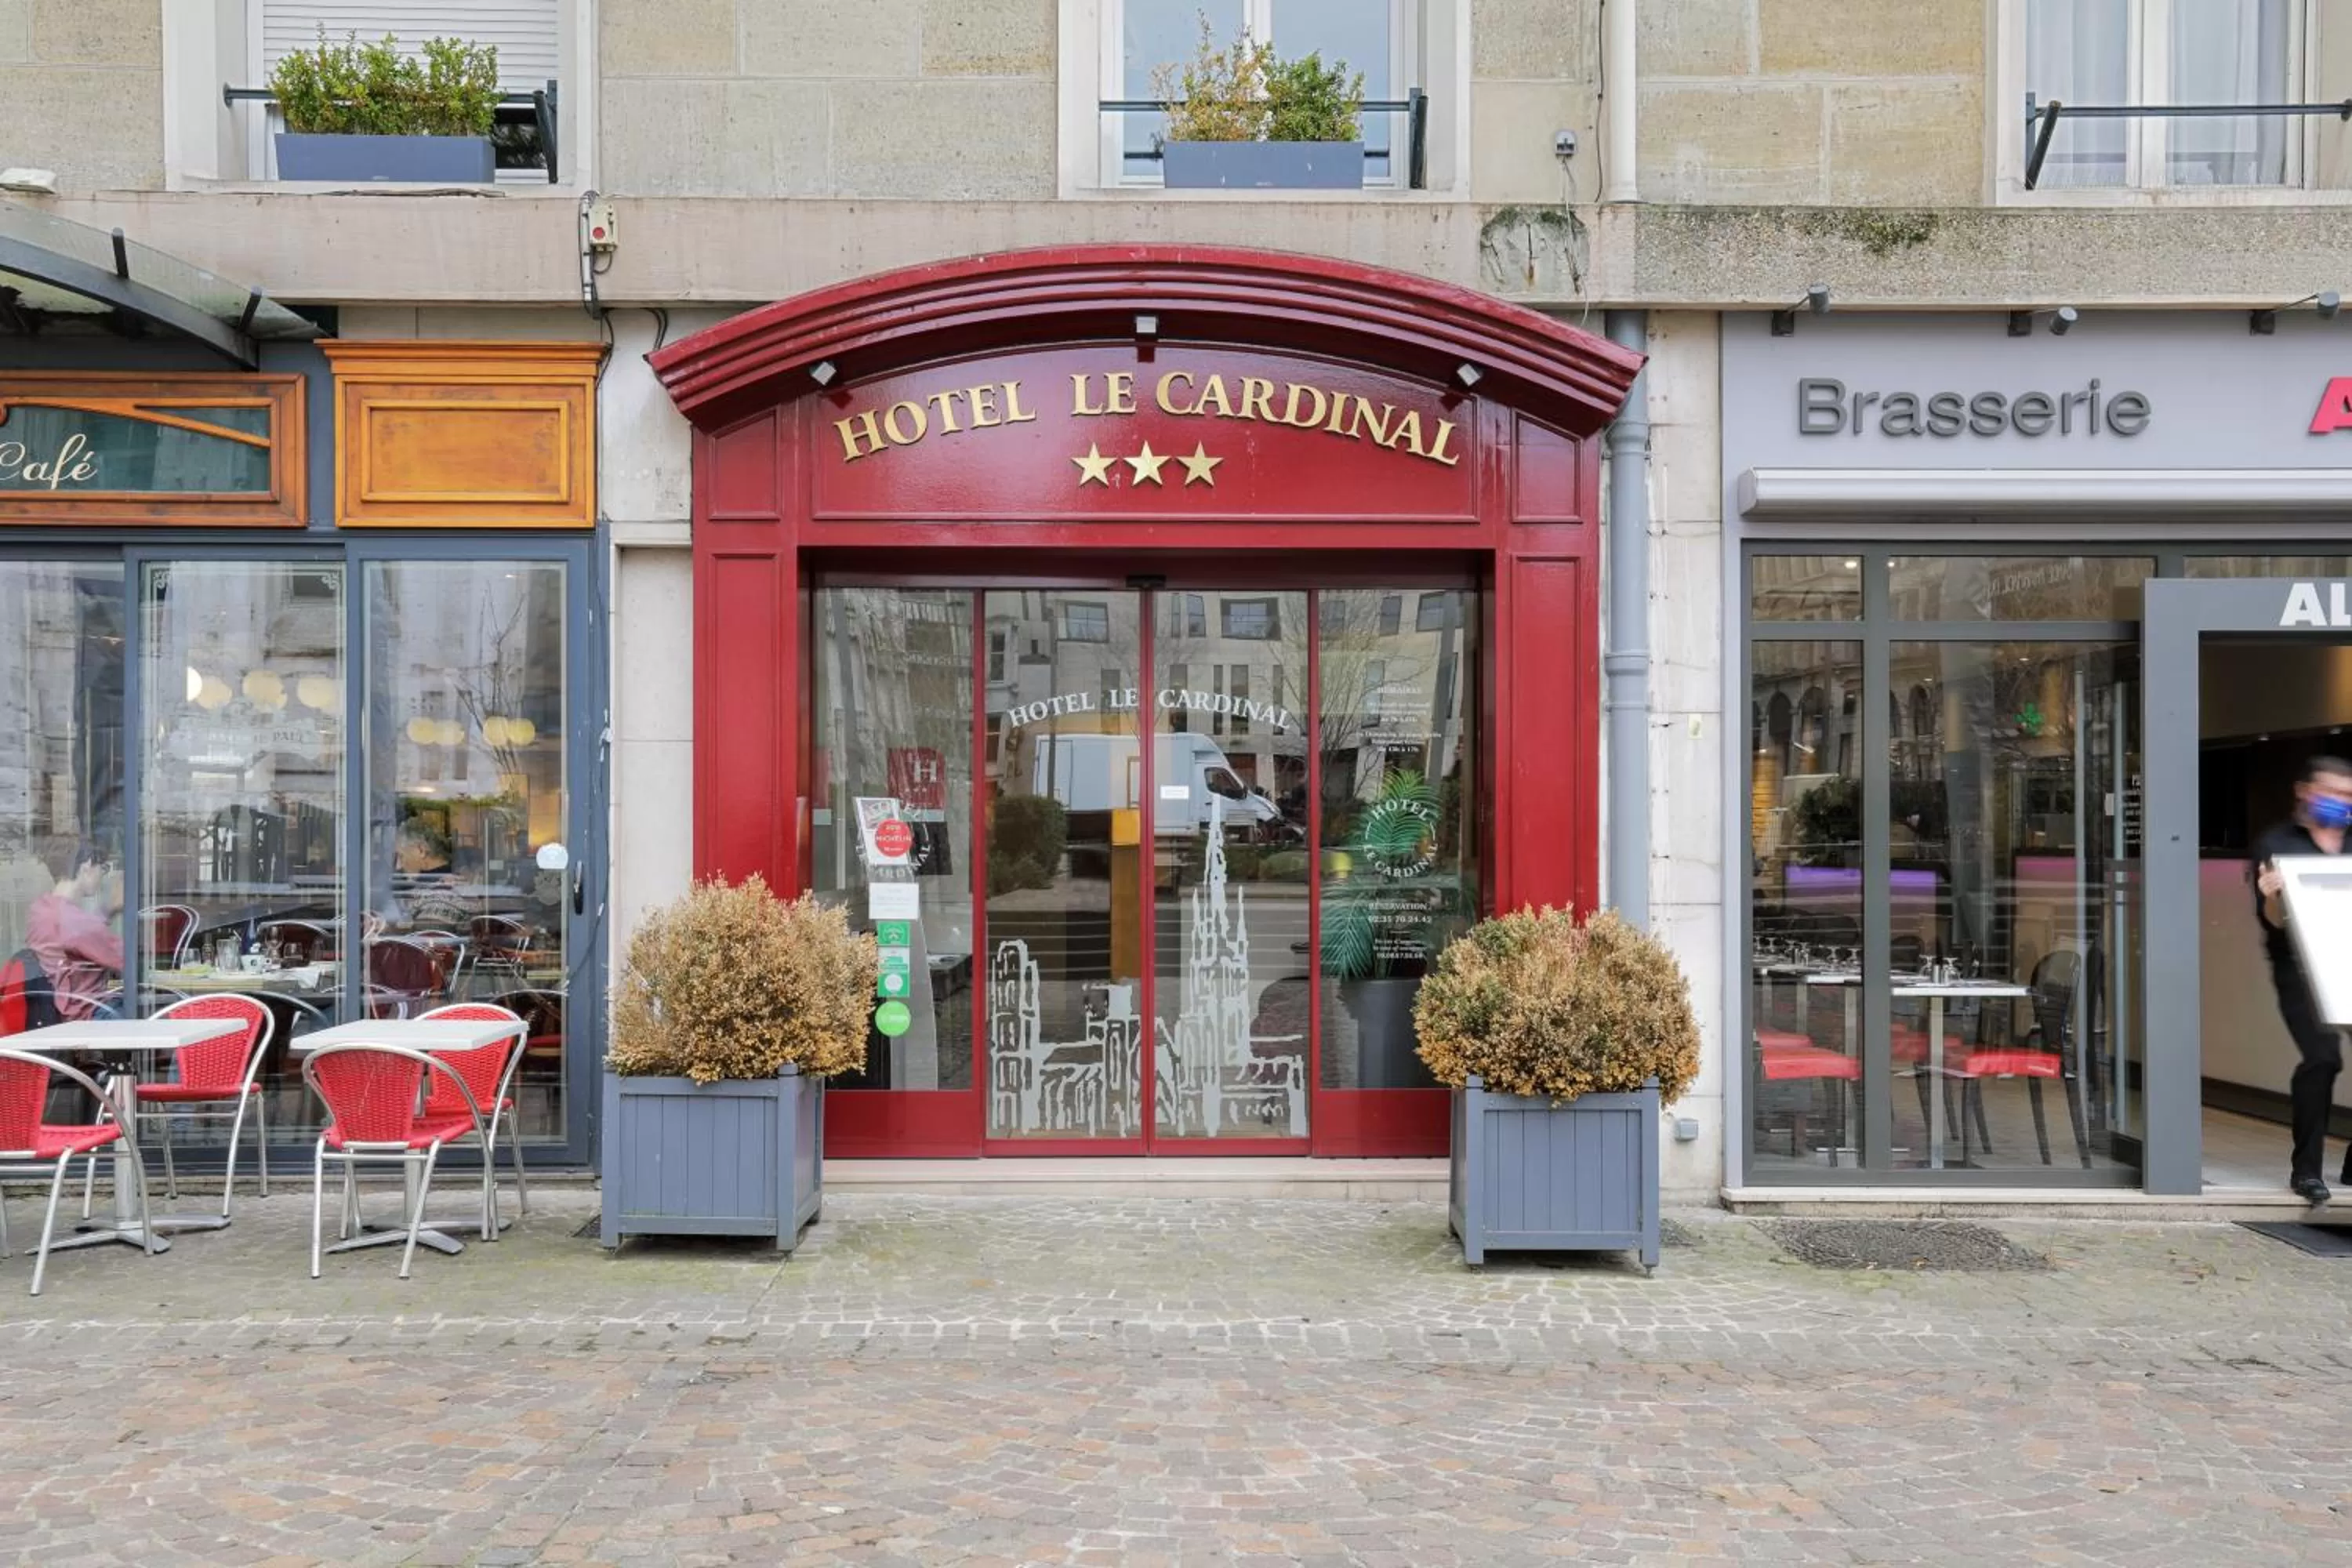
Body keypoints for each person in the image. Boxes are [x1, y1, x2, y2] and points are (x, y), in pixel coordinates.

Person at [2254, 756, 2352, 1203]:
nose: (2340, 802)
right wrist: (2272, 897)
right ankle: (2307, 1172)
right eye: (2332, 792)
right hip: (2301, 970)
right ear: (2305, 792)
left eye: (2348, 795)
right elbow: (2273, 920)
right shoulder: (2278, 843)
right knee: (2322, 1059)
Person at [24, 837, 124, 1021]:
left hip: (63, 1010)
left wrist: (108, 910)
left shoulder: (40, 909)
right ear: (86, 865)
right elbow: (125, 959)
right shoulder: (71, 919)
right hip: (89, 1013)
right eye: (103, 868)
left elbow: (81, 936)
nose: (102, 875)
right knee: (161, 1015)